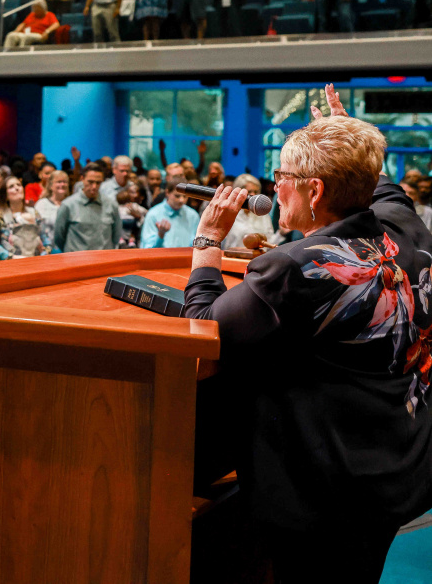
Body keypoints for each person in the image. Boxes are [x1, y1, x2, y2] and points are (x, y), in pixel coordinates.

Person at [184, 85, 432, 583]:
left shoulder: (295, 267)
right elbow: (386, 192)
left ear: (314, 191)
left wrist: (208, 239)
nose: (275, 188)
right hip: (397, 467)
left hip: (327, 493)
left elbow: (205, 326)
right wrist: (349, 142)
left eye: (282, 177)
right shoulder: (404, 228)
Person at [53, 164, 120, 252]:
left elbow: (116, 236)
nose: (94, 186)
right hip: (76, 258)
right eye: (90, 182)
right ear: (82, 179)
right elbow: (59, 237)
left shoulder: (111, 205)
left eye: (98, 183)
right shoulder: (68, 205)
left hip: (103, 258)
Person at [0, 176, 53, 259]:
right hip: (10, 262)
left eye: (19, 185)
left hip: (35, 261)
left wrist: (43, 255)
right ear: (5, 195)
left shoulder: (34, 213)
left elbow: (47, 241)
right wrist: (10, 256)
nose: (17, 188)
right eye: (11, 186)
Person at [220, 173, 279, 249]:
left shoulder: (263, 215)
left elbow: (270, 242)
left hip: (260, 255)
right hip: (234, 255)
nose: (253, 195)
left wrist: (281, 233)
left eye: (256, 192)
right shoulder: (229, 213)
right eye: (249, 191)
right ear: (239, 193)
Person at [138, 175, 200, 248]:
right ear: (167, 193)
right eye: (177, 196)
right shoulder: (153, 214)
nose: (181, 200)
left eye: (185, 196)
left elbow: (198, 245)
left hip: (187, 255)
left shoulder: (193, 215)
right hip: (161, 255)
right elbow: (147, 248)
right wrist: (160, 235)